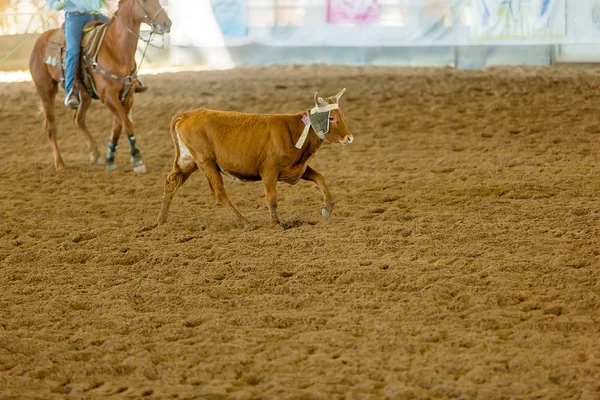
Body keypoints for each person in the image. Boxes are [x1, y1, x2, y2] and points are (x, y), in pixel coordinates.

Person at [47, 0, 148, 109]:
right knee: (73, 51)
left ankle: (131, 77)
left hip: (95, 15)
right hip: (75, 17)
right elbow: (52, 2)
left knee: (120, 35)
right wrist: (58, 4)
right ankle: (71, 91)